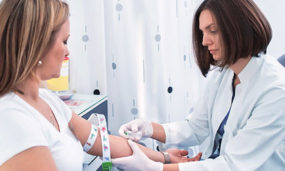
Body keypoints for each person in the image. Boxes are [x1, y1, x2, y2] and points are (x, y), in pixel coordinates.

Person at [0, 0, 201, 170]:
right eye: (65, 41)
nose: (68, 52)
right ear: (38, 44)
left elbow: (106, 142)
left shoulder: (47, 100)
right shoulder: (12, 116)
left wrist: (164, 160)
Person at [114, 0, 285, 170]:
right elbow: (196, 128)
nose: (204, 41)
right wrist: (149, 128)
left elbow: (233, 165)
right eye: (203, 32)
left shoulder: (277, 91)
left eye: (213, 30)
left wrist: (155, 168)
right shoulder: (226, 72)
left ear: (240, 27)